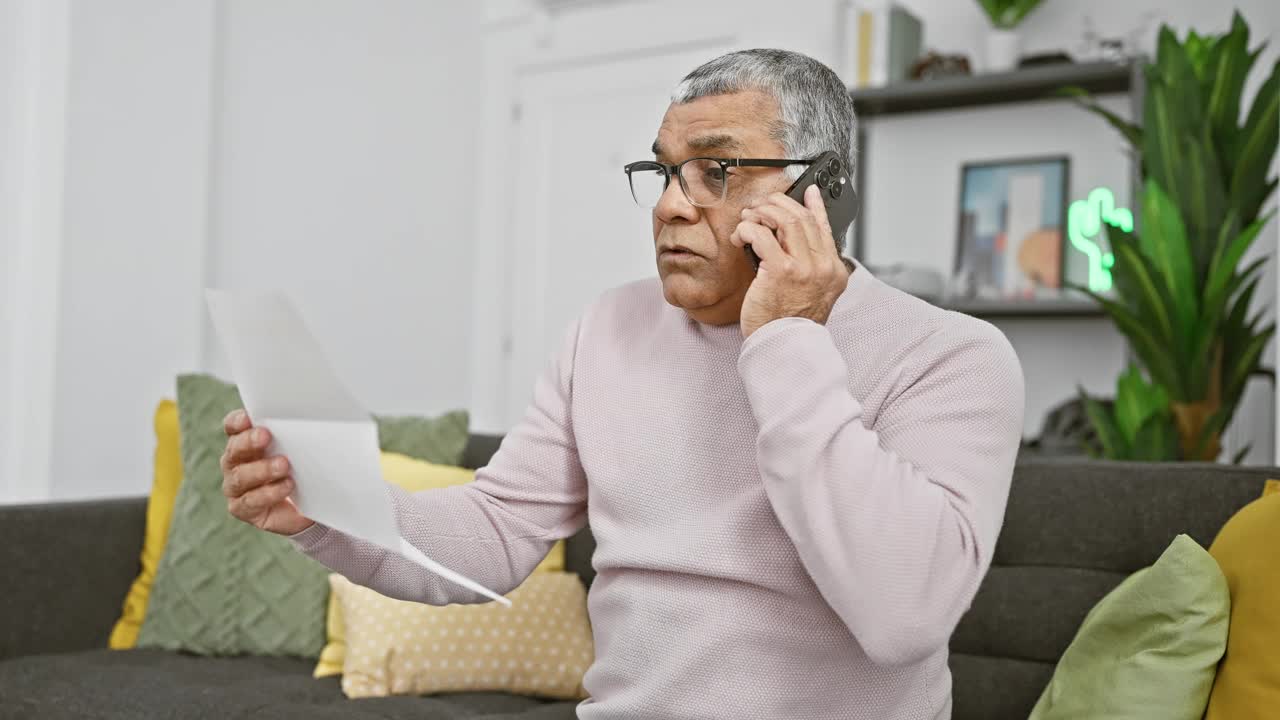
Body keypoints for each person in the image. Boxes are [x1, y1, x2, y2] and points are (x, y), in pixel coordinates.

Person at [219, 48, 1024, 720]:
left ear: (824, 192)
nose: (672, 206)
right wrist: (323, 507)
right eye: (665, 171)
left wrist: (785, 341)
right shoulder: (607, 329)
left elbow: (902, 615)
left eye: (717, 171)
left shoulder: (951, 356)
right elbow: (496, 530)